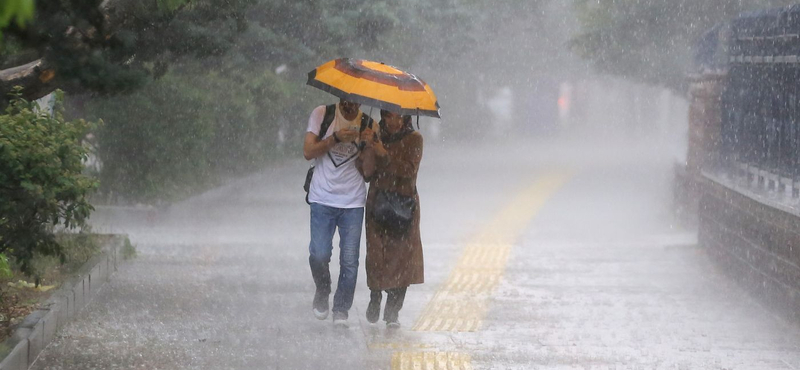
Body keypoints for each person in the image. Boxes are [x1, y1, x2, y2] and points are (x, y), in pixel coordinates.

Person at [303, 99, 373, 328]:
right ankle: (323, 289)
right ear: (341, 97)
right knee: (319, 254)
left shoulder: (369, 124)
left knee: (350, 260)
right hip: (322, 198)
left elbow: (369, 173)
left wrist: (367, 147)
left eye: (355, 103)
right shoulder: (322, 114)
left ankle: (342, 308)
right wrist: (335, 138)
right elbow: (308, 151)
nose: (350, 107)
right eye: (346, 101)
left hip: (352, 201)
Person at [358, 109, 424, 328]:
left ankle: (393, 310)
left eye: (393, 115)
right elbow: (366, 173)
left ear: (404, 116)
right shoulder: (376, 133)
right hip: (378, 202)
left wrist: (382, 151)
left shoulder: (414, 139)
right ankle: (375, 295)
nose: (388, 119)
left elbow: (407, 171)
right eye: (385, 114)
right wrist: (366, 147)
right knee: (376, 254)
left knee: (402, 260)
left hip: (403, 204)